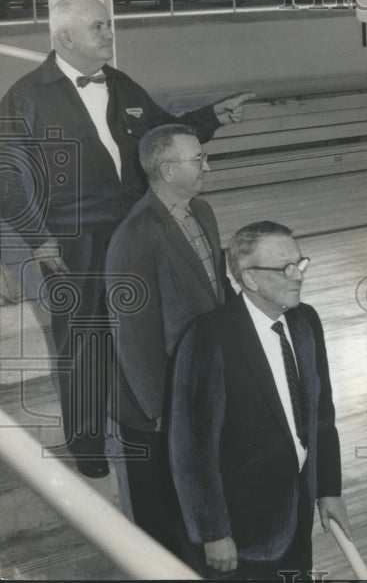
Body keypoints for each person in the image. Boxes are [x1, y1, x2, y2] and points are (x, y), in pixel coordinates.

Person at [0, 0, 252, 478]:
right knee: (83, 340)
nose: (110, 34)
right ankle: (88, 442)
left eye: (109, 25)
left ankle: (146, 416)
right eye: (99, 27)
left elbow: (161, 133)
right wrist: (39, 238)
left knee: (144, 328)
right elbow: (8, 178)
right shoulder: (27, 96)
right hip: (73, 241)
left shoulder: (120, 83)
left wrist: (214, 117)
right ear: (66, 36)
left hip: (134, 228)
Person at [170, 221, 352, 580]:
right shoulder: (208, 337)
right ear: (249, 279)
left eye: (300, 264)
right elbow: (191, 448)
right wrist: (214, 532)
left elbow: (321, 415)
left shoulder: (306, 321)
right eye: (285, 268)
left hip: (296, 510)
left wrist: (328, 489)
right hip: (241, 529)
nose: (298, 276)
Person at [106, 123, 233, 557]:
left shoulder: (204, 213)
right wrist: (159, 408)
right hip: (159, 406)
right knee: (165, 528)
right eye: (197, 159)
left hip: (199, 387)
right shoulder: (135, 235)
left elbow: (218, 290)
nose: (207, 166)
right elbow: (131, 335)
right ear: (164, 169)